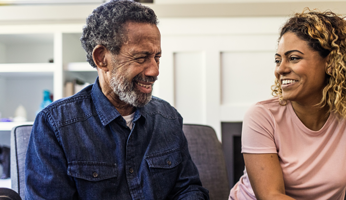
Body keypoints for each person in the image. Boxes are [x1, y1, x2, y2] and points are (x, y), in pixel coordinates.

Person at [25, 0, 209, 199]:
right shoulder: (54, 125)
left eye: (157, 57)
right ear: (102, 58)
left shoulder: (169, 118)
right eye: (141, 57)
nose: (155, 70)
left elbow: (189, 189)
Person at [229, 9, 346, 200]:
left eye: (293, 58)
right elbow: (271, 195)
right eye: (278, 60)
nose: (280, 69)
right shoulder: (262, 115)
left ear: (331, 63)